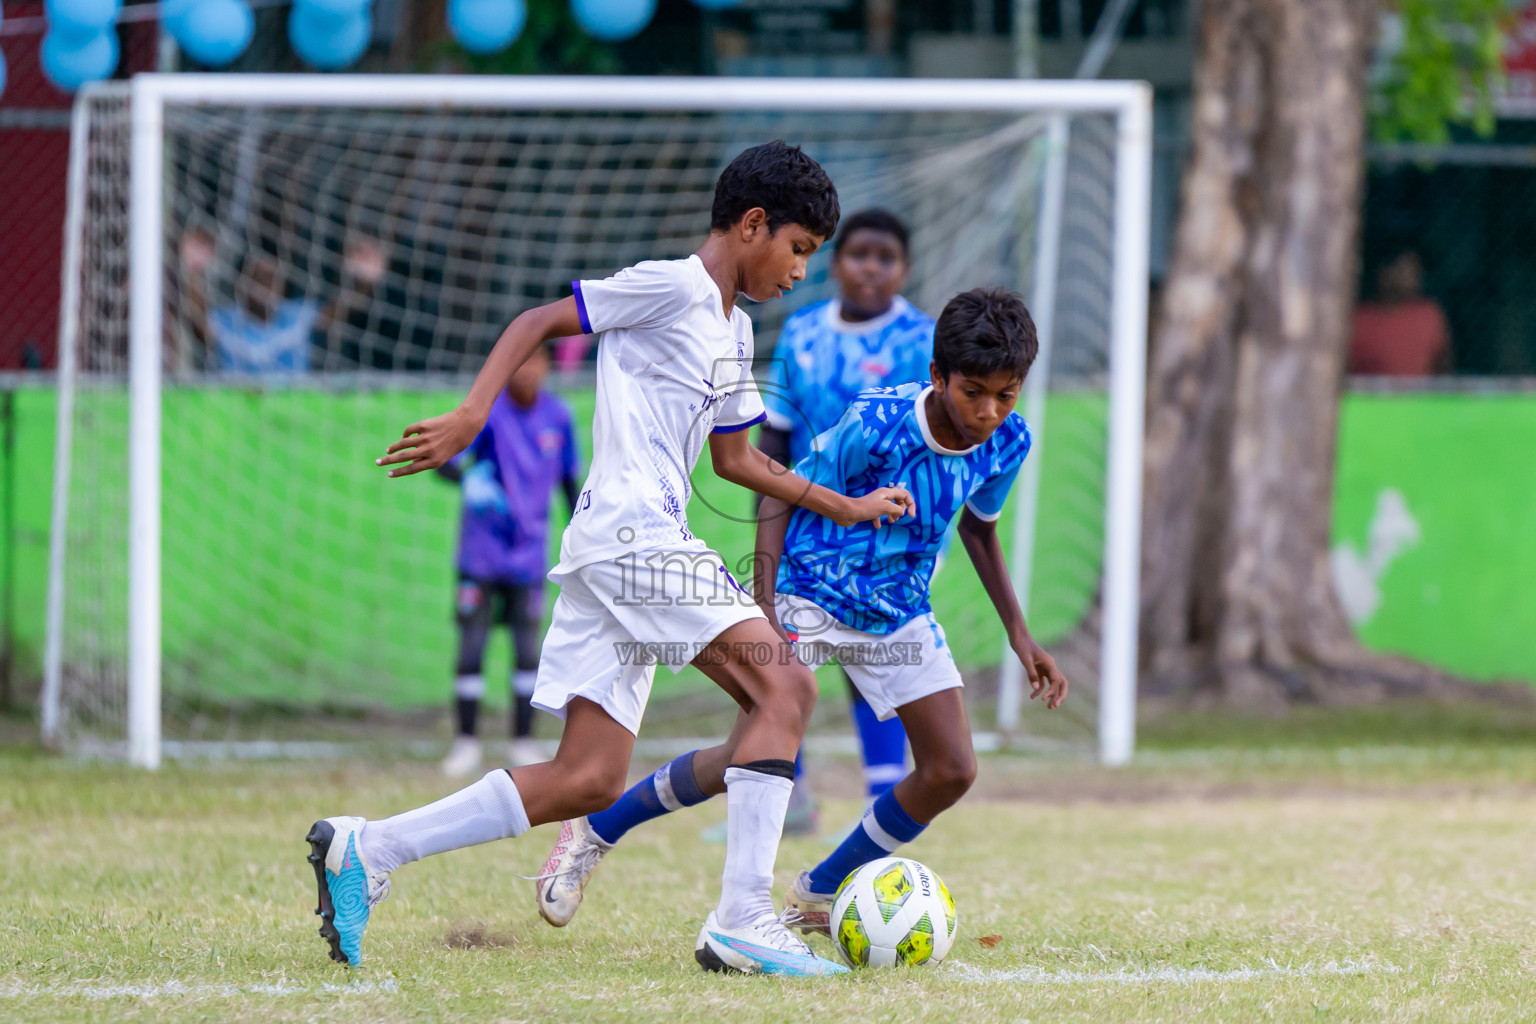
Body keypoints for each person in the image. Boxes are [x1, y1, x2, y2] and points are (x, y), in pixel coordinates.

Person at [304, 141, 915, 976]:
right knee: (789, 684)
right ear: (750, 224)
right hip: (636, 537)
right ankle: (743, 919)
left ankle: (370, 849)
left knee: (588, 776)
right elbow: (539, 321)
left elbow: (737, 461)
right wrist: (471, 414)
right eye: (800, 248)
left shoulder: (733, 327)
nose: (803, 270)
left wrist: (843, 504)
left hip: (614, 547)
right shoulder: (674, 285)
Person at [533, 287, 1068, 940]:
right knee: (742, 756)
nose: (988, 411)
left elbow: (980, 530)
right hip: (807, 592)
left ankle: (816, 889)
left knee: (952, 768)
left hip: (898, 607)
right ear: (938, 376)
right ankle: (597, 830)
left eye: (1005, 394)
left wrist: (1020, 634)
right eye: (974, 391)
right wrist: (764, 608)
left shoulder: (1010, 441)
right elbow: (778, 493)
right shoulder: (876, 423)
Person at [753, 208, 935, 837]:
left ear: (904, 269)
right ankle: (790, 799)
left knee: (875, 667)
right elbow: (774, 441)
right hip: (806, 533)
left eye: (886, 258)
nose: (871, 268)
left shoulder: (924, 339)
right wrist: (765, 524)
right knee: (783, 662)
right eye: (860, 254)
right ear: (836, 261)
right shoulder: (801, 334)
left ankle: (879, 804)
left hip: (886, 538)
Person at [435, 343, 580, 777]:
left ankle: (522, 740)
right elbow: (445, 461)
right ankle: (465, 743)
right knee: (472, 647)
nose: (527, 371)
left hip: (529, 556)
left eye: (535, 361)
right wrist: (468, 479)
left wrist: (583, 538)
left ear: (549, 367)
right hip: (479, 555)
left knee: (526, 650)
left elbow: (571, 487)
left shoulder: (559, 417)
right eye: (520, 361)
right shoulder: (488, 412)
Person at [179, 231, 384, 373]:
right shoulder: (227, 320)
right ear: (242, 284)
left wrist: (365, 282)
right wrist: (193, 273)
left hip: (290, 419)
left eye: (272, 279)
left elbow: (344, 309)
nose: (267, 286)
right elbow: (198, 321)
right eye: (259, 278)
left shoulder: (296, 316)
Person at [1348, 249, 1451, 376]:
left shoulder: (1429, 314)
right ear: (1384, 273)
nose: (1413, 277)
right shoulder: (1360, 319)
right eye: (1404, 269)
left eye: (1415, 270)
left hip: (1420, 395)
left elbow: (1443, 363)